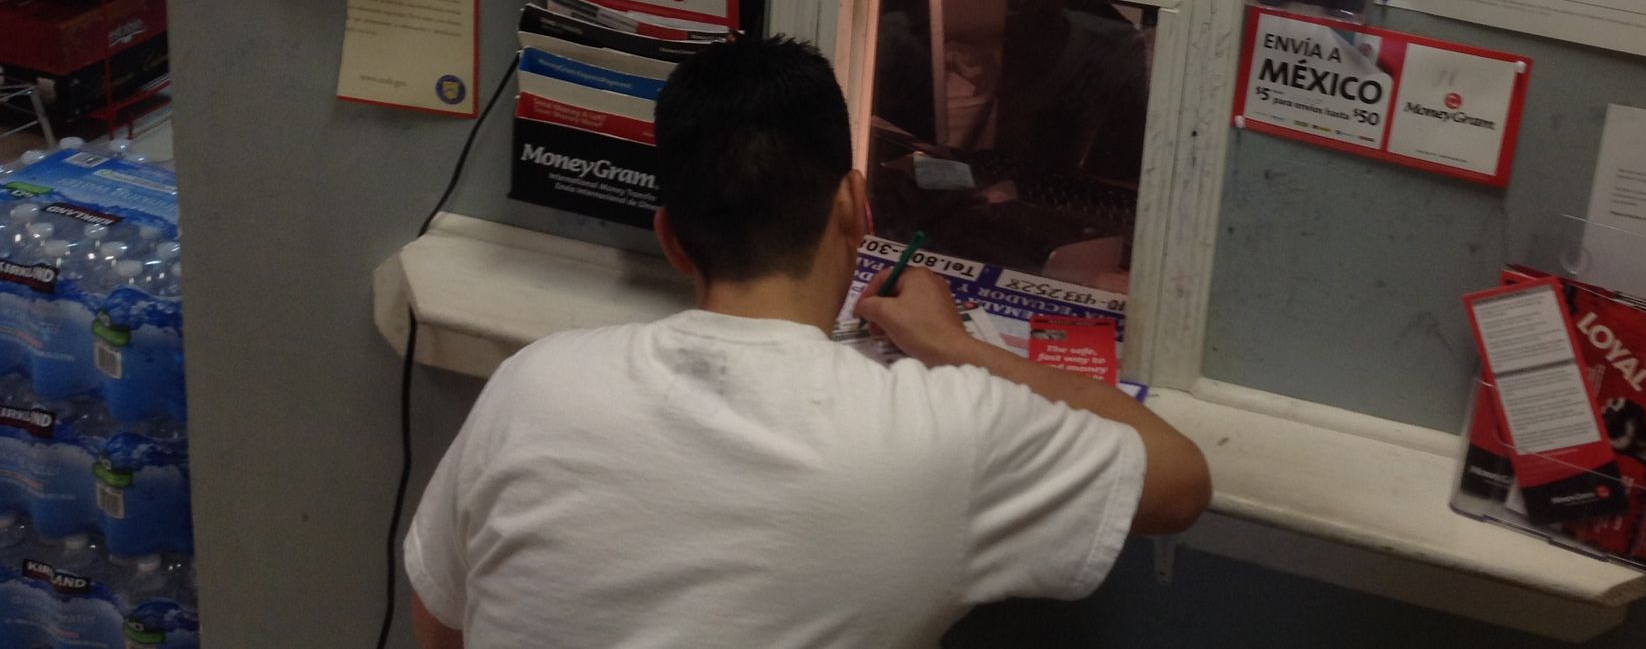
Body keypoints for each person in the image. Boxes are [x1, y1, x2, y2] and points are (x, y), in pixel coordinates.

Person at [406, 35, 1210, 648]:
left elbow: (441, 620)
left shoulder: (531, 387)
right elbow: (1180, 483)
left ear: (671, 239)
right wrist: (953, 344)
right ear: (857, 208)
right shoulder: (944, 433)